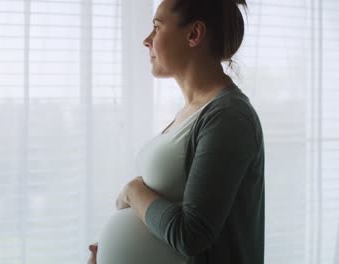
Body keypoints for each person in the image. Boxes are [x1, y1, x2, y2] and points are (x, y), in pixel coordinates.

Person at [88, 0, 264, 263]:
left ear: (194, 34)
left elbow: (191, 235)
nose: (147, 40)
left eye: (157, 27)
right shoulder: (193, 112)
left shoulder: (229, 117)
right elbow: (166, 205)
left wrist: (132, 191)